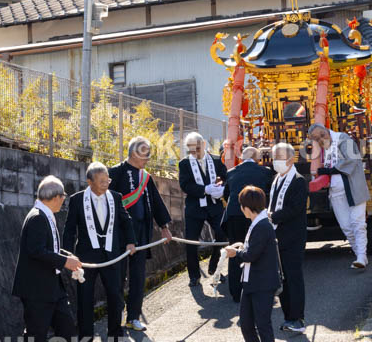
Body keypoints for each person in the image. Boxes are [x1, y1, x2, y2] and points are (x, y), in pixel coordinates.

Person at [12, 176, 85, 342]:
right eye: (62, 196)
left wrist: (66, 256)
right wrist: (65, 262)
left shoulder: (46, 215)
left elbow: (49, 247)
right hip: (36, 288)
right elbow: (35, 251)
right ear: (54, 197)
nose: (63, 200)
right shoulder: (36, 218)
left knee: (67, 328)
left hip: (52, 285)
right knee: (36, 335)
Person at [62, 162, 136, 342]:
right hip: (86, 257)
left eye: (107, 180)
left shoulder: (116, 197)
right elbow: (70, 229)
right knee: (85, 299)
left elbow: (126, 221)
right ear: (89, 181)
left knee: (115, 295)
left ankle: (115, 337)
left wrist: (130, 241)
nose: (106, 184)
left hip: (112, 254)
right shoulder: (78, 200)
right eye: (101, 181)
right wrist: (67, 254)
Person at [109, 137, 173, 331]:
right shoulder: (114, 172)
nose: (148, 158)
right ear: (134, 153)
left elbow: (155, 202)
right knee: (118, 277)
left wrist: (164, 226)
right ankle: (115, 319)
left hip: (142, 233)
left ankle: (133, 317)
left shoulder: (146, 177)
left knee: (138, 276)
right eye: (145, 153)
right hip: (119, 235)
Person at [224, 186, 282, 342]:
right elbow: (251, 250)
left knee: (263, 325)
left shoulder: (263, 225)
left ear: (246, 208)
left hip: (262, 283)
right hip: (251, 281)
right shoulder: (257, 223)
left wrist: (235, 253)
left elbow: (250, 255)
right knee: (247, 324)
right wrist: (241, 249)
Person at [309, 123, 370, 269]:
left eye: (322, 135)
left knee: (358, 223)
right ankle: (359, 255)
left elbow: (352, 160)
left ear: (326, 130)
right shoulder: (325, 148)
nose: (322, 139)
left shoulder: (343, 138)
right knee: (346, 226)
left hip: (353, 188)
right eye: (317, 139)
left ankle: (361, 256)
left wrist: (330, 171)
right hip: (336, 191)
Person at [222, 147, 273, 302]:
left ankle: (235, 292)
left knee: (235, 250)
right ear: (257, 158)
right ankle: (255, 288)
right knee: (255, 250)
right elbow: (269, 193)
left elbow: (226, 194)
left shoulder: (231, 172)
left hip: (234, 215)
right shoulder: (265, 172)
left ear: (242, 158)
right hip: (254, 216)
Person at [178, 133, 228, 287]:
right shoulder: (184, 164)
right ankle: (194, 276)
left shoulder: (216, 160)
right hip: (195, 206)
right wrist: (205, 189)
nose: (195, 153)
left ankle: (214, 267)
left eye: (197, 149)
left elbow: (227, 177)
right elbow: (185, 185)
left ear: (204, 144)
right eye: (191, 150)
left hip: (214, 205)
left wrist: (223, 188)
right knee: (191, 241)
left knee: (222, 234)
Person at [269, 143, 308, 334]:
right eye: (274, 156)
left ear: (291, 159)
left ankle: (298, 318)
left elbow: (295, 209)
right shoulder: (276, 179)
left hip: (293, 237)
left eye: (279, 157)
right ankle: (288, 317)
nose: (275, 161)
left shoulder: (298, 181)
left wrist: (272, 217)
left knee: (294, 277)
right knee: (282, 278)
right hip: (277, 237)